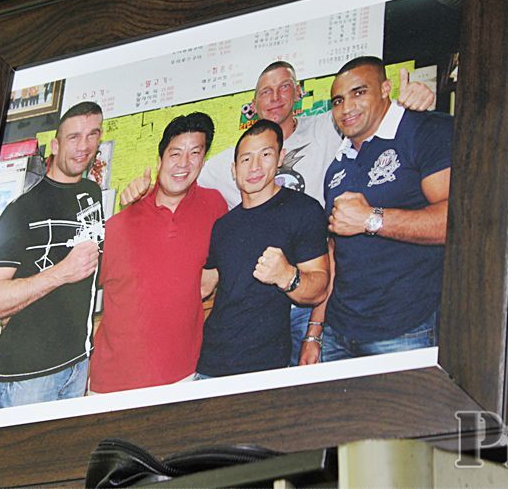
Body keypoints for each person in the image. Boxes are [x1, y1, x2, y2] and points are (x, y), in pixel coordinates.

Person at [121, 60, 434, 366]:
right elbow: (181, 176)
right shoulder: (237, 155)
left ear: (298, 94)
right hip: (253, 310)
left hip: (322, 287)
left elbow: (367, 114)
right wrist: (142, 195)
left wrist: (405, 103)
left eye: (284, 87)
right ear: (254, 104)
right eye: (265, 92)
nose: (275, 98)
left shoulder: (329, 127)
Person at [318, 56, 453, 361]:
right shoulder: (337, 167)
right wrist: (317, 330)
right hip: (339, 332)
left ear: (385, 89)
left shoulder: (423, 130)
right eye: (338, 100)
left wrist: (371, 218)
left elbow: (456, 221)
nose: (347, 107)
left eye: (359, 92)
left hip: (404, 329)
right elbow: (335, 251)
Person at [0, 101, 105, 409]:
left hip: (77, 366)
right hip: (26, 379)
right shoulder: (22, 210)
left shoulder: (92, 194)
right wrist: (61, 272)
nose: (83, 146)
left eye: (92, 134)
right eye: (73, 137)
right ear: (55, 145)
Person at [89, 113, 227, 394]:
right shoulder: (119, 223)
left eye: (194, 153)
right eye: (175, 153)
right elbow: (79, 291)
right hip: (113, 384)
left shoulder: (214, 206)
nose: (184, 164)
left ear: (203, 160)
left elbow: (217, 268)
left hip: (183, 376)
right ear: (160, 159)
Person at [194, 120, 330, 378]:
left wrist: (286, 276)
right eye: (246, 159)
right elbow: (205, 284)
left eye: (265, 155)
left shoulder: (303, 210)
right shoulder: (224, 225)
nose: (254, 167)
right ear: (234, 169)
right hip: (211, 361)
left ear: (281, 158)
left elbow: (319, 288)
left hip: (265, 365)